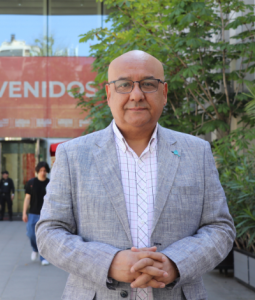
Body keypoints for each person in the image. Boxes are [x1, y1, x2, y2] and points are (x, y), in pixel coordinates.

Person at [36, 50, 235, 300]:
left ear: (164, 94)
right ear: (108, 94)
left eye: (149, 84)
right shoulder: (73, 155)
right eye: (124, 85)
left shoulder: (197, 152)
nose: (137, 95)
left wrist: (176, 263)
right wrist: (108, 263)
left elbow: (220, 228)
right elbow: (49, 232)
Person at [23, 162, 50, 266]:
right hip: (33, 214)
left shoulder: (50, 183)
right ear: (37, 171)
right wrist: (24, 213)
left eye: (44, 171)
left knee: (43, 236)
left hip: (46, 214)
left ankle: (43, 257)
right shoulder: (31, 183)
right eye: (41, 170)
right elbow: (27, 199)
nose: (43, 173)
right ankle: (35, 248)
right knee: (30, 234)